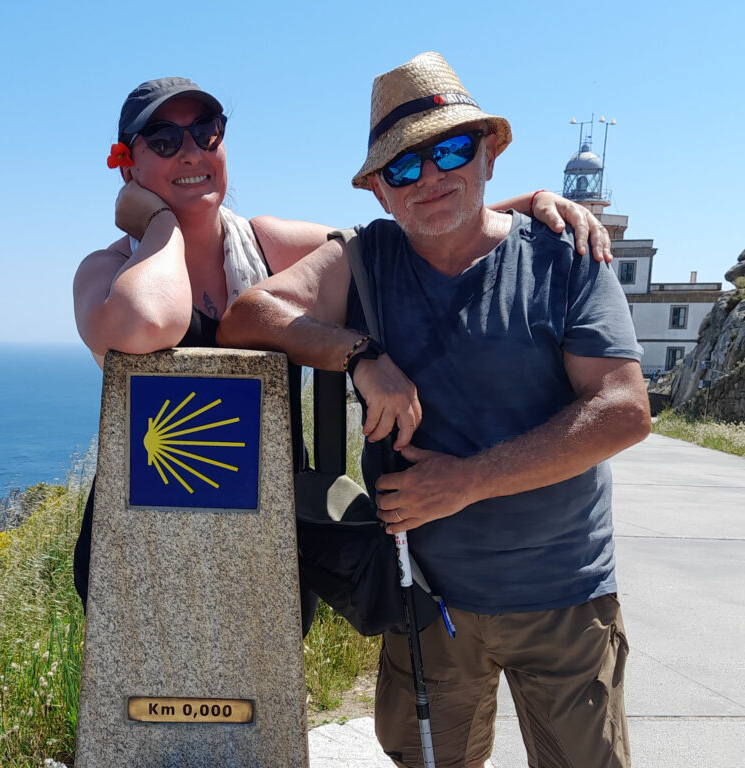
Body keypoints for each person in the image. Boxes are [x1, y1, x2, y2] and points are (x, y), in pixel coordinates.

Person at [217, 52, 650, 767]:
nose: (430, 178)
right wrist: (360, 354)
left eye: (449, 151)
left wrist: (466, 482)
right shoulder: (369, 257)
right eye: (403, 168)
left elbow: (624, 409)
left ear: (489, 153)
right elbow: (248, 316)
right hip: (429, 604)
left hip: (565, 599)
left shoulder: (564, 255)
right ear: (381, 191)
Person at [72, 76, 615, 634]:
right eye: (163, 139)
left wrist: (523, 205)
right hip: (142, 544)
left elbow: (405, 241)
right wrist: (160, 225)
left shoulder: (264, 243)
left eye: (206, 131)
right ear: (127, 165)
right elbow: (150, 320)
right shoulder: (107, 273)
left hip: (264, 541)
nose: (191, 150)